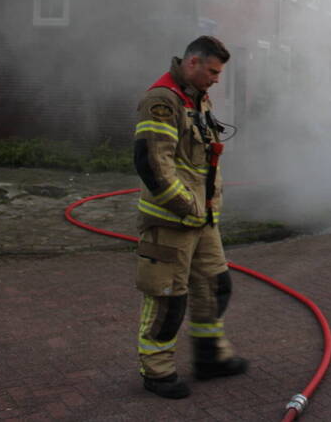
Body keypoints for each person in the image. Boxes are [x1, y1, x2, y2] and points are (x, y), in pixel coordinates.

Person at [133, 35, 248, 399]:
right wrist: (187, 207)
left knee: (215, 285)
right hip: (172, 222)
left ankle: (210, 357)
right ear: (193, 62)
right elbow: (153, 163)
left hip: (202, 220)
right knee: (168, 298)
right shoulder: (162, 101)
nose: (216, 79)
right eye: (212, 71)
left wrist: (205, 209)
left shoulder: (196, 98)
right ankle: (157, 371)